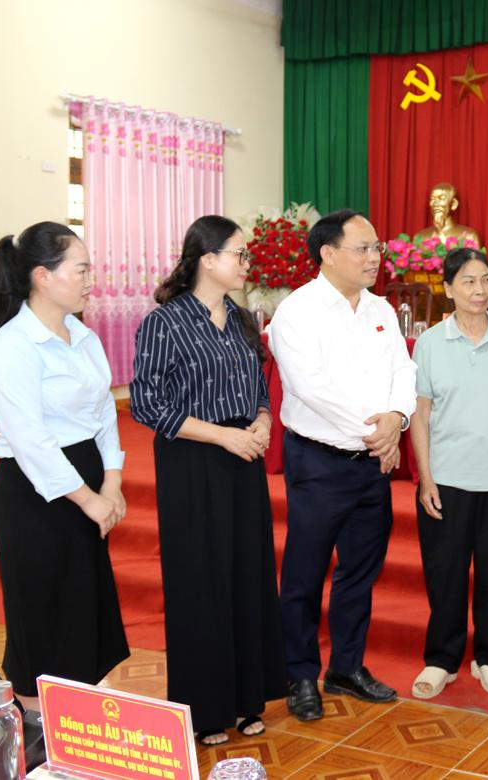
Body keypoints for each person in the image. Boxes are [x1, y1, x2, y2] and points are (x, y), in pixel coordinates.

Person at [129, 215, 285, 746]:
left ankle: (247, 698)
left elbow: (259, 385)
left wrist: (261, 420)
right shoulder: (165, 322)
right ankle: (205, 708)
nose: (247, 263)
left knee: (247, 575)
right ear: (208, 259)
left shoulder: (241, 318)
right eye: (239, 254)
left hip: (243, 458)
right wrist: (222, 436)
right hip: (193, 461)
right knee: (201, 581)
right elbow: (147, 404)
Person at [268, 209, 416, 720]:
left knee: (360, 572)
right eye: (363, 248)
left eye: (377, 248)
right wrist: (380, 433)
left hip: (371, 463)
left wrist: (397, 417)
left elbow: (404, 369)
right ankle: (299, 674)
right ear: (327, 253)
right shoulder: (297, 311)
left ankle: (346, 668)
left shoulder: (380, 308)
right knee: (305, 574)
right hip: (320, 461)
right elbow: (311, 388)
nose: (375, 258)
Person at [0, 221, 129, 710]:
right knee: (41, 614)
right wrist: (88, 500)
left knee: (83, 608)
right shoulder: (12, 345)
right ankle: (37, 721)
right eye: (81, 270)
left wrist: (112, 482)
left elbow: (104, 411)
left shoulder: (82, 335)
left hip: (86, 482)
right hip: (36, 496)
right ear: (43, 276)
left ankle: (79, 718)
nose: (90, 281)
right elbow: (31, 440)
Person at [408, 247, 488, 699]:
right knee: (446, 573)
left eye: (485, 280)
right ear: (448, 288)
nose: (480, 290)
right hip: (447, 479)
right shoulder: (429, 343)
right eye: (468, 281)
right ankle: (442, 659)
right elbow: (420, 416)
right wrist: (426, 477)